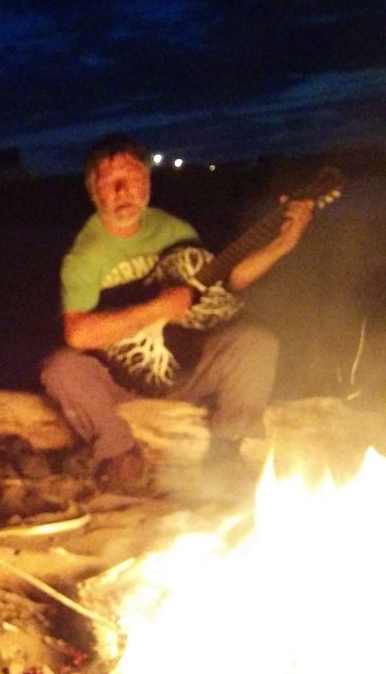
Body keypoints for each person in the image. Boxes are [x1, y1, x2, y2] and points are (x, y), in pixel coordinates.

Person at [40, 133, 314, 490]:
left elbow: (227, 281)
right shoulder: (83, 257)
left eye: (133, 177)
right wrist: (157, 308)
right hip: (120, 387)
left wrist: (283, 244)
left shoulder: (174, 230)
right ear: (95, 193)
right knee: (61, 370)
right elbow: (78, 334)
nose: (124, 190)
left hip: (189, 374)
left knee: (256, 343)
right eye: (111, 182)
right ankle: (120, 452)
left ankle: (227, 448)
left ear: (147, 181)